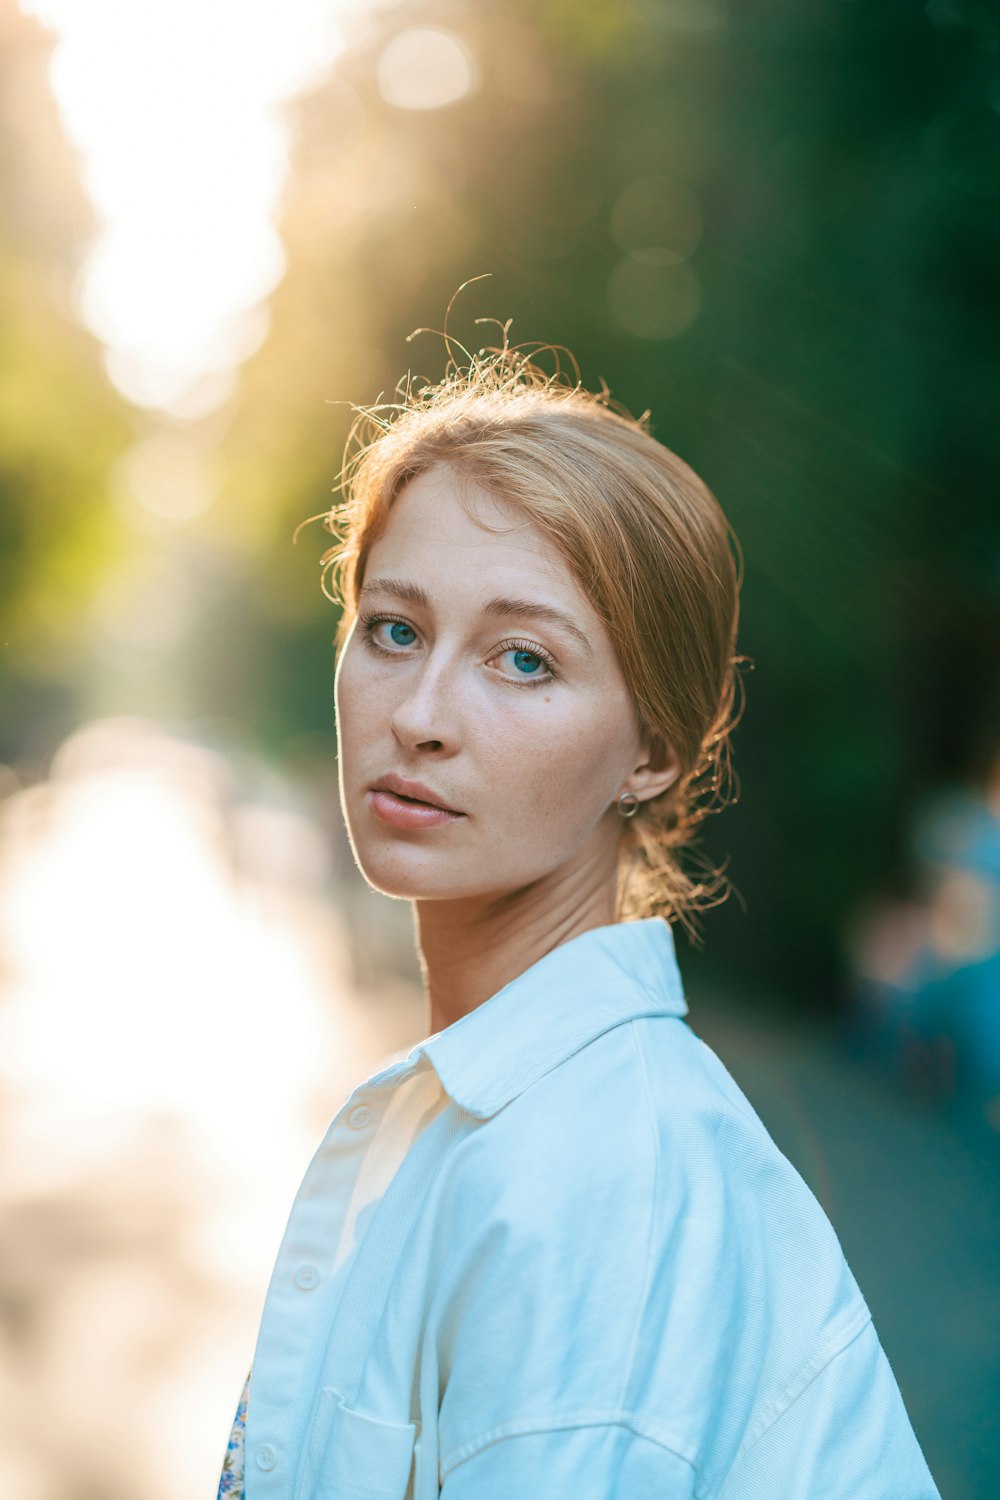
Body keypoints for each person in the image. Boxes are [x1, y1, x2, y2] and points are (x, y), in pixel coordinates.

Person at [218, 339, 940, 1498]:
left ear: (654, 751)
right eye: (395, 630)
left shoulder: (596, 1176)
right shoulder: (503, 1113)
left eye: (520, 660)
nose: (422, 715)